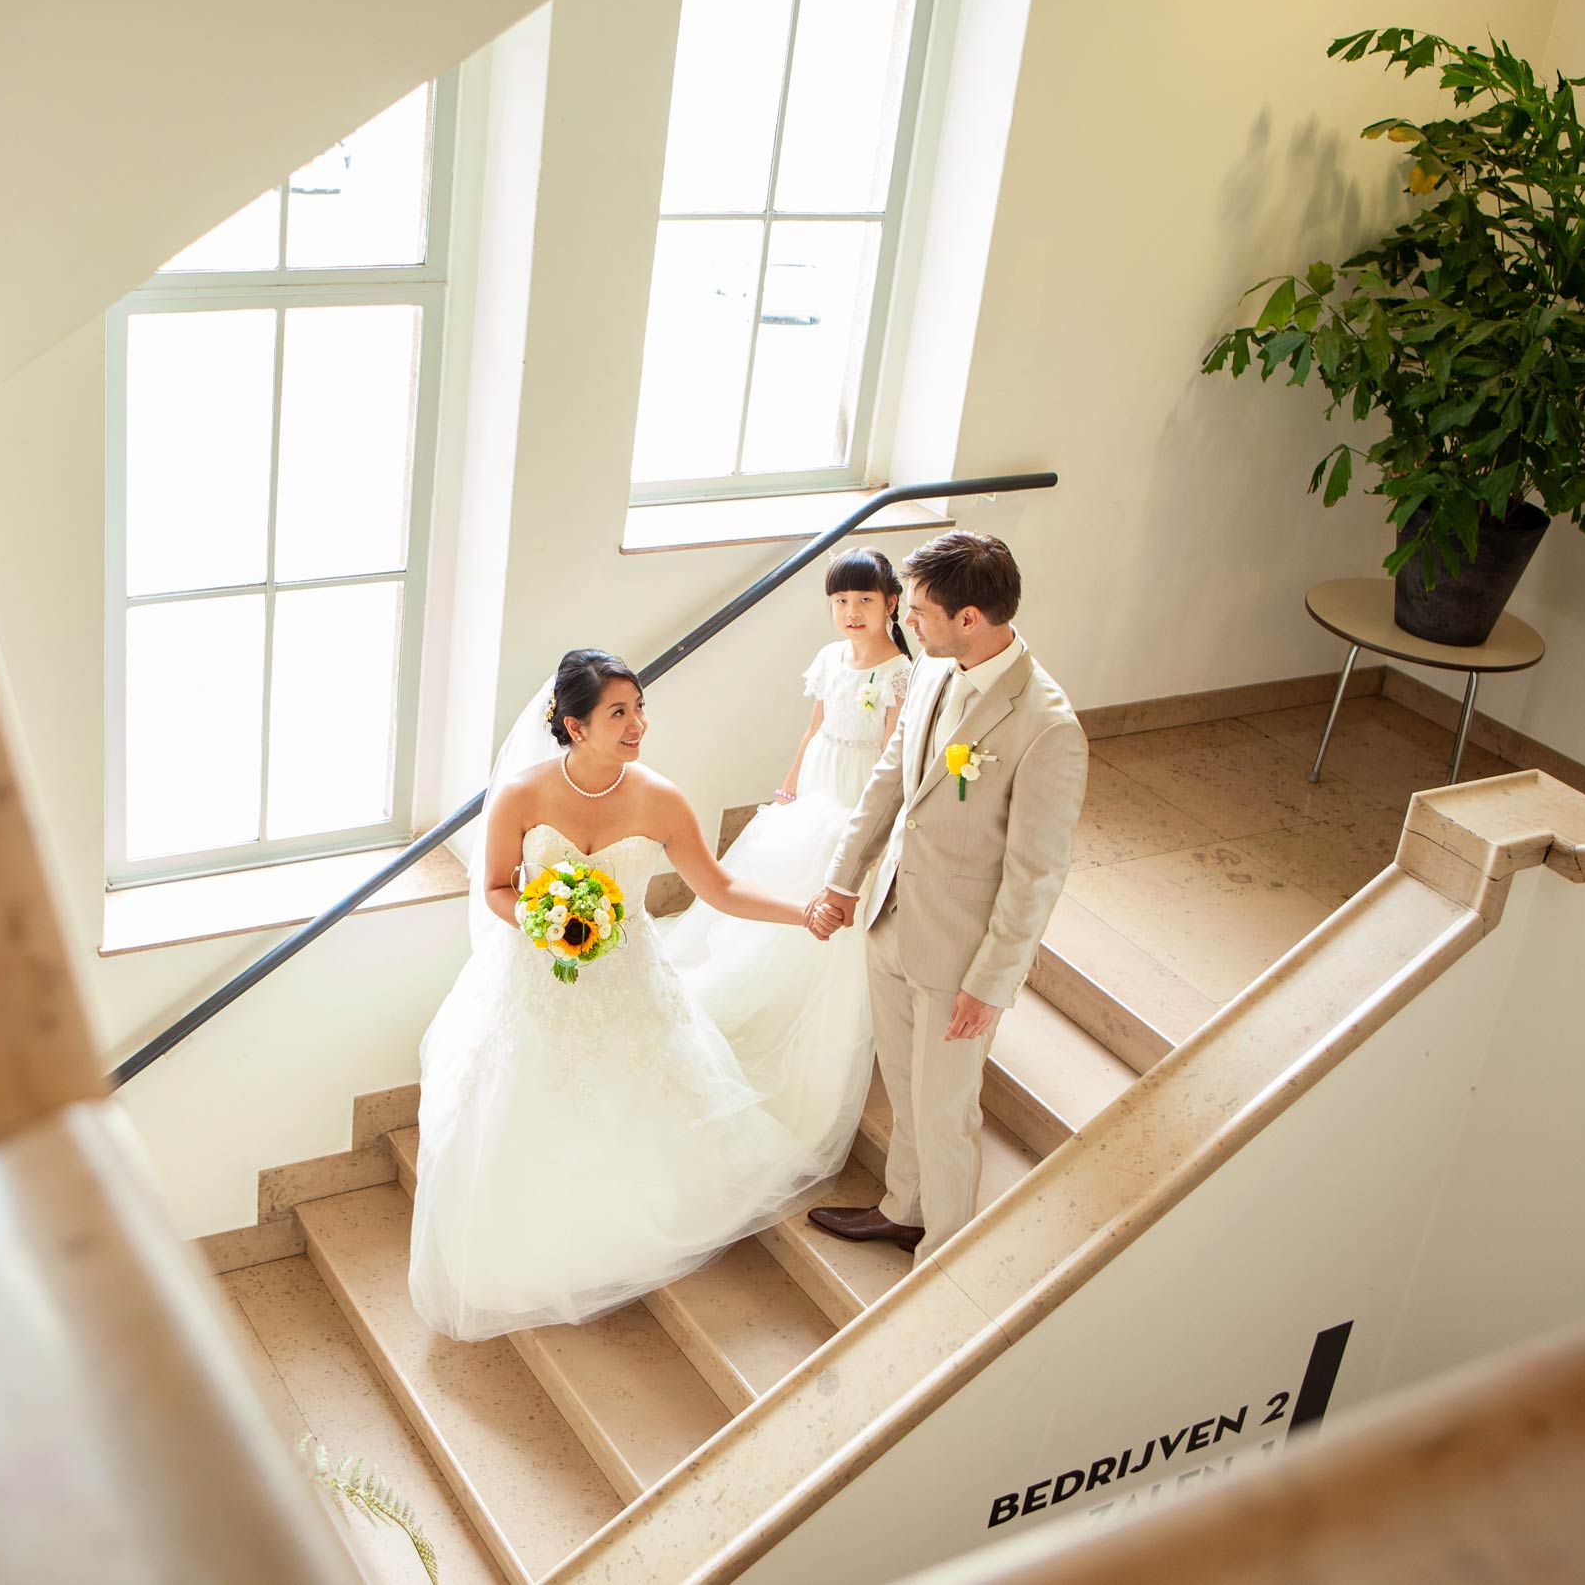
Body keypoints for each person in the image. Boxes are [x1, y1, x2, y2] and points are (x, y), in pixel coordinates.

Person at [408, 650, 826, 1341]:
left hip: (628, 977)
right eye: (619, 712)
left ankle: (637, 1228)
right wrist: (547, 922)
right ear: (574, 726)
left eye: (638, 708)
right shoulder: (521, 794)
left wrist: (802, 912)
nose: (638, 724)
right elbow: (494, 889)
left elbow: (717, 888)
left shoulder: (660, 798)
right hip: (538, 976)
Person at [805, 531, 1089, 1264]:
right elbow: (888, 784)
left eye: (923, 610)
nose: (910, 622)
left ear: (970, 617)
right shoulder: (933, 670)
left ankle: (948, 1261)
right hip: (892, 916)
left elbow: (1035, 874)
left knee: (944, 1111)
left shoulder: (1047, 725)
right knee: (904, 1088)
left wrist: (990, 983)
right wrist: (842, 881)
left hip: (960, 953)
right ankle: (904, 1209)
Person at [666, 548, 914, 1171]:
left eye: (863, 600)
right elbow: (812, 732)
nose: (851, 613)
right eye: (840, 602)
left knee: (825, 880)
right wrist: (787, 791)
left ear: (891, 603)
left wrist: (870, 828)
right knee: (775, 877)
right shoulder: (831, 660)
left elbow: (891, 761)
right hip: (817, 789)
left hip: (855, 801)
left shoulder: (897, 673)